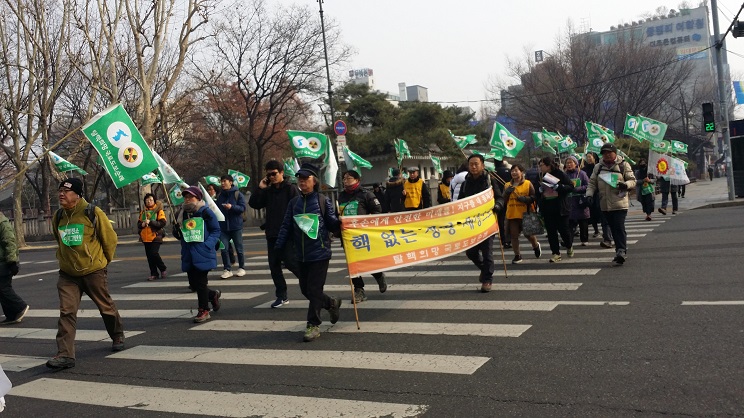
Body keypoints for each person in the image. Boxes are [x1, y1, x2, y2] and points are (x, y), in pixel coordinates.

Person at [47, 178, 124, 370]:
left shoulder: (92, 212)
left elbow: (110, 239)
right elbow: (59, 240)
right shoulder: (58, 216)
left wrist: (103, 263)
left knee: (105, 306)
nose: (62, 194)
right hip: (68, 275)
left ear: (78, 195)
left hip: (93, 271)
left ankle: (117, 335)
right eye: (60, 191)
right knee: (67, 312)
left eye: (67, 191)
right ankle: (65, 354)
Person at [275, 163, 342, 342]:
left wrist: (340, 222)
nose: (302, 182)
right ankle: (331, 303)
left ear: (314, 181)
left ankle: (313, 324)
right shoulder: (294, 203)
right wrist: (278, 247)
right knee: (306, 290)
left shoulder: (322, 201)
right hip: (301, 254)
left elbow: (332, 224)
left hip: (320, 253)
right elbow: (286, 226)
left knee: (314, 289)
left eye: (306, 179)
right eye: (300, 179)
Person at [248, 160, 300, 308]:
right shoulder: (268, 190)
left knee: (291, 263)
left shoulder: (291, 189)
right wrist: (260, 188)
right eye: (269, 174)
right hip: (272, 233)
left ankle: (311, 288)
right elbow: (254, 203)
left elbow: (297, 210)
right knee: (274, 266)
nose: (271, 177)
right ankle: (281, 296)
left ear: (282, 173)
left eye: (274, 174)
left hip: (288, 234)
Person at [338, 170, 387, 303]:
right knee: (353, 264)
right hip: (348, 237)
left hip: (363, 236)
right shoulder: (341, 196)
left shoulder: (366, 194)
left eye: (348, 178)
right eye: (344, 178)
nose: (345, 180)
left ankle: (378, 275)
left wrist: (367, 221)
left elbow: (377, 211)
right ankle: (359, 290)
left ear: (357, 180)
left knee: (368, 262)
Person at [174, 186, 222, 323]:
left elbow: (216, 230)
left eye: (191, 197)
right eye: (186, 197)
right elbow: (181, 235)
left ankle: (204, 310)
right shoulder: (181, 213)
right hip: (188, 253)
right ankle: (213, 295)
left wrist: (207, 245)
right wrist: (176, 231)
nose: (188, 200)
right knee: (194, 284)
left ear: (198, 198)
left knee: (201, 283)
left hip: (203, 252)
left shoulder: (205, 212)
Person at [457, 154, 505, 292]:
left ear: (482, 165)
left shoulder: (490, 180)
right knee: (471, 252)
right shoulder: (465, 183)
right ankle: (485, 270)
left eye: (476, 164)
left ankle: (487, 280)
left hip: (487, 222)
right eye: (471, 164)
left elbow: (500, 198)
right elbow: (460, 202)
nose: (473, 166)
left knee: (487, 251)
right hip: (471, 223)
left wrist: (498, 206)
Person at [586, 142, 636, 266]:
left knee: (618, 226)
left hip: (619, 202)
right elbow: (592, 183)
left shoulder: (623, 165)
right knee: (612, 227)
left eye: (609, 152)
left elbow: (632, 180)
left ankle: (621, 251)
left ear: (615, 153)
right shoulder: (598, 167)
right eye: (604, 153)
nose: (607, 155)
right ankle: (619, 249)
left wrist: (626, 185)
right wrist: (589, 195)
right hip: (604, 203)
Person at [538, 157, 575, 263]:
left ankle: (569, 245)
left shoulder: (560, 173)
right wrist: (540, 190)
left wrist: (559, 187)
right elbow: (536, 190)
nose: (540, 167)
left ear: (548, 165)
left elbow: (570, 187)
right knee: (551, 232)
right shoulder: (540, 175)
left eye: (542, 165)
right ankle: (556, 253)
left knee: (564, 230)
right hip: (547, 208)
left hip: (561, 207)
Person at [502, 164, 541, 264]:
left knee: (529, 235)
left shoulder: (528, 184)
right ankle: (517, 255)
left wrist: (525, 199)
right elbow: (503, 200)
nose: (514, 173)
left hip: (525, 213)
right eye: (512, 171)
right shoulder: (507, 185)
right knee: (513, 236)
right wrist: (506, 193)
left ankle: (536, 245)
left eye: (516, 170)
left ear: (522, 172)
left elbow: (534, 196)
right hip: (512, 214)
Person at [0, 211, 28, 325]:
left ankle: (20, 306)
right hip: (2, 261)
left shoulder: (3, 224)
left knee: (3, 289)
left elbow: (10, 242)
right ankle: (11, 315)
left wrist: (12, 261)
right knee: (2, 290)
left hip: (4, 262)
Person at [216, 175, 247, 278]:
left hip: (236, 226)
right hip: (223, 227)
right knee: (224, 249)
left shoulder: (238, 194)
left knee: (239, 248)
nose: (223, 183)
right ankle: (227, 269)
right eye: (221, 181)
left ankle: (241, 268)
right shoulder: (220, 195)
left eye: (225, 181)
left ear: (231, 182)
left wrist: (232, 207)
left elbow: (242, 208)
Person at [138, 193, 168, 281]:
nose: (149, 201)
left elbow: (162, 223)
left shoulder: (159, 211)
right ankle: (154, 273)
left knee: (154, 253)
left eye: (151, 200)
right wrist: (142, 224)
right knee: (149, 257)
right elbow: (139, 224)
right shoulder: (143, 211)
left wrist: (151, 222)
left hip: (156, 236)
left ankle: (162, 268)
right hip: (145, 237)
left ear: (154, 201)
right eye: (147, 200)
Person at [207, 184, 237, 265]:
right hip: (211, 223)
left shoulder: (219, 197)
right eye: (208, 189)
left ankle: (232, 259)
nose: (209, 191)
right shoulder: (207, 199)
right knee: (212, 244)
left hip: (221, 223)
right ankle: (210, 262)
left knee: (226, 243)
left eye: (211, 189)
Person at [564, 156, 591, 246]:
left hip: (580, 201)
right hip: (569, 202)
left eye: (571, 162)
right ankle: (569, 241)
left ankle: (584, 239)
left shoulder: (582, 174)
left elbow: (588, 185)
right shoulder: (564, 175)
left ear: (576, 164)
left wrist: (579, 189)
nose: (569, 164)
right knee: (569, 223)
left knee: (583, 221)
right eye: (567, 163)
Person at [581, 153, 600, 238]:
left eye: (590, 157)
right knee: (591, 212)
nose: (588, 158)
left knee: (600, 212)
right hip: (589, 193)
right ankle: (596, 230)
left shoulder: (599, 168)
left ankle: (607, 231)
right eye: (587, 157)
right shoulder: (584, 170)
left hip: (599, 193)